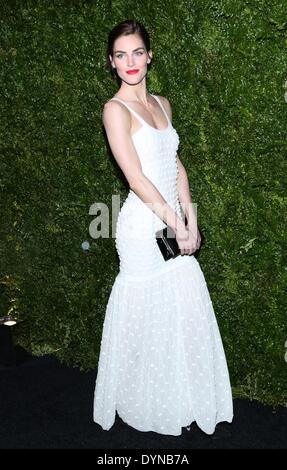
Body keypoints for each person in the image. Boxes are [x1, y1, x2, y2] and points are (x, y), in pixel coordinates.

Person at [93, 19, 233, 436]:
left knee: (183, 307)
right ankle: (140, 398)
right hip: (142, 227)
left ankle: (181, 397)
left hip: (171, 219)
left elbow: (175, 165)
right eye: (121, 55)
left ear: (149, 55)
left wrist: (190, 218)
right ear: (112, 63)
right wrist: (177, 223)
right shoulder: (114, 110)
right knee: (145, 313)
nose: (130, 62)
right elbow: (136, 178)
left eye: (137, 52)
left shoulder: (163, 104)